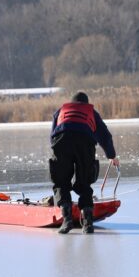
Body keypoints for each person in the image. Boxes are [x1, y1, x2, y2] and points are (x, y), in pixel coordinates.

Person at [49, 91, 119, 234]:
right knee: (84, 181)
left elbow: (53, 134)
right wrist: (111, 155)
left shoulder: (61, 111)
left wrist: (58, 154)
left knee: (61, 181)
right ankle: (87, 224)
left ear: (72, 102)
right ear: (86, 104)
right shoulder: (91, 112)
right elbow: (105, 136)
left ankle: (67, 220)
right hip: (84, 142)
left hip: (62, 141)